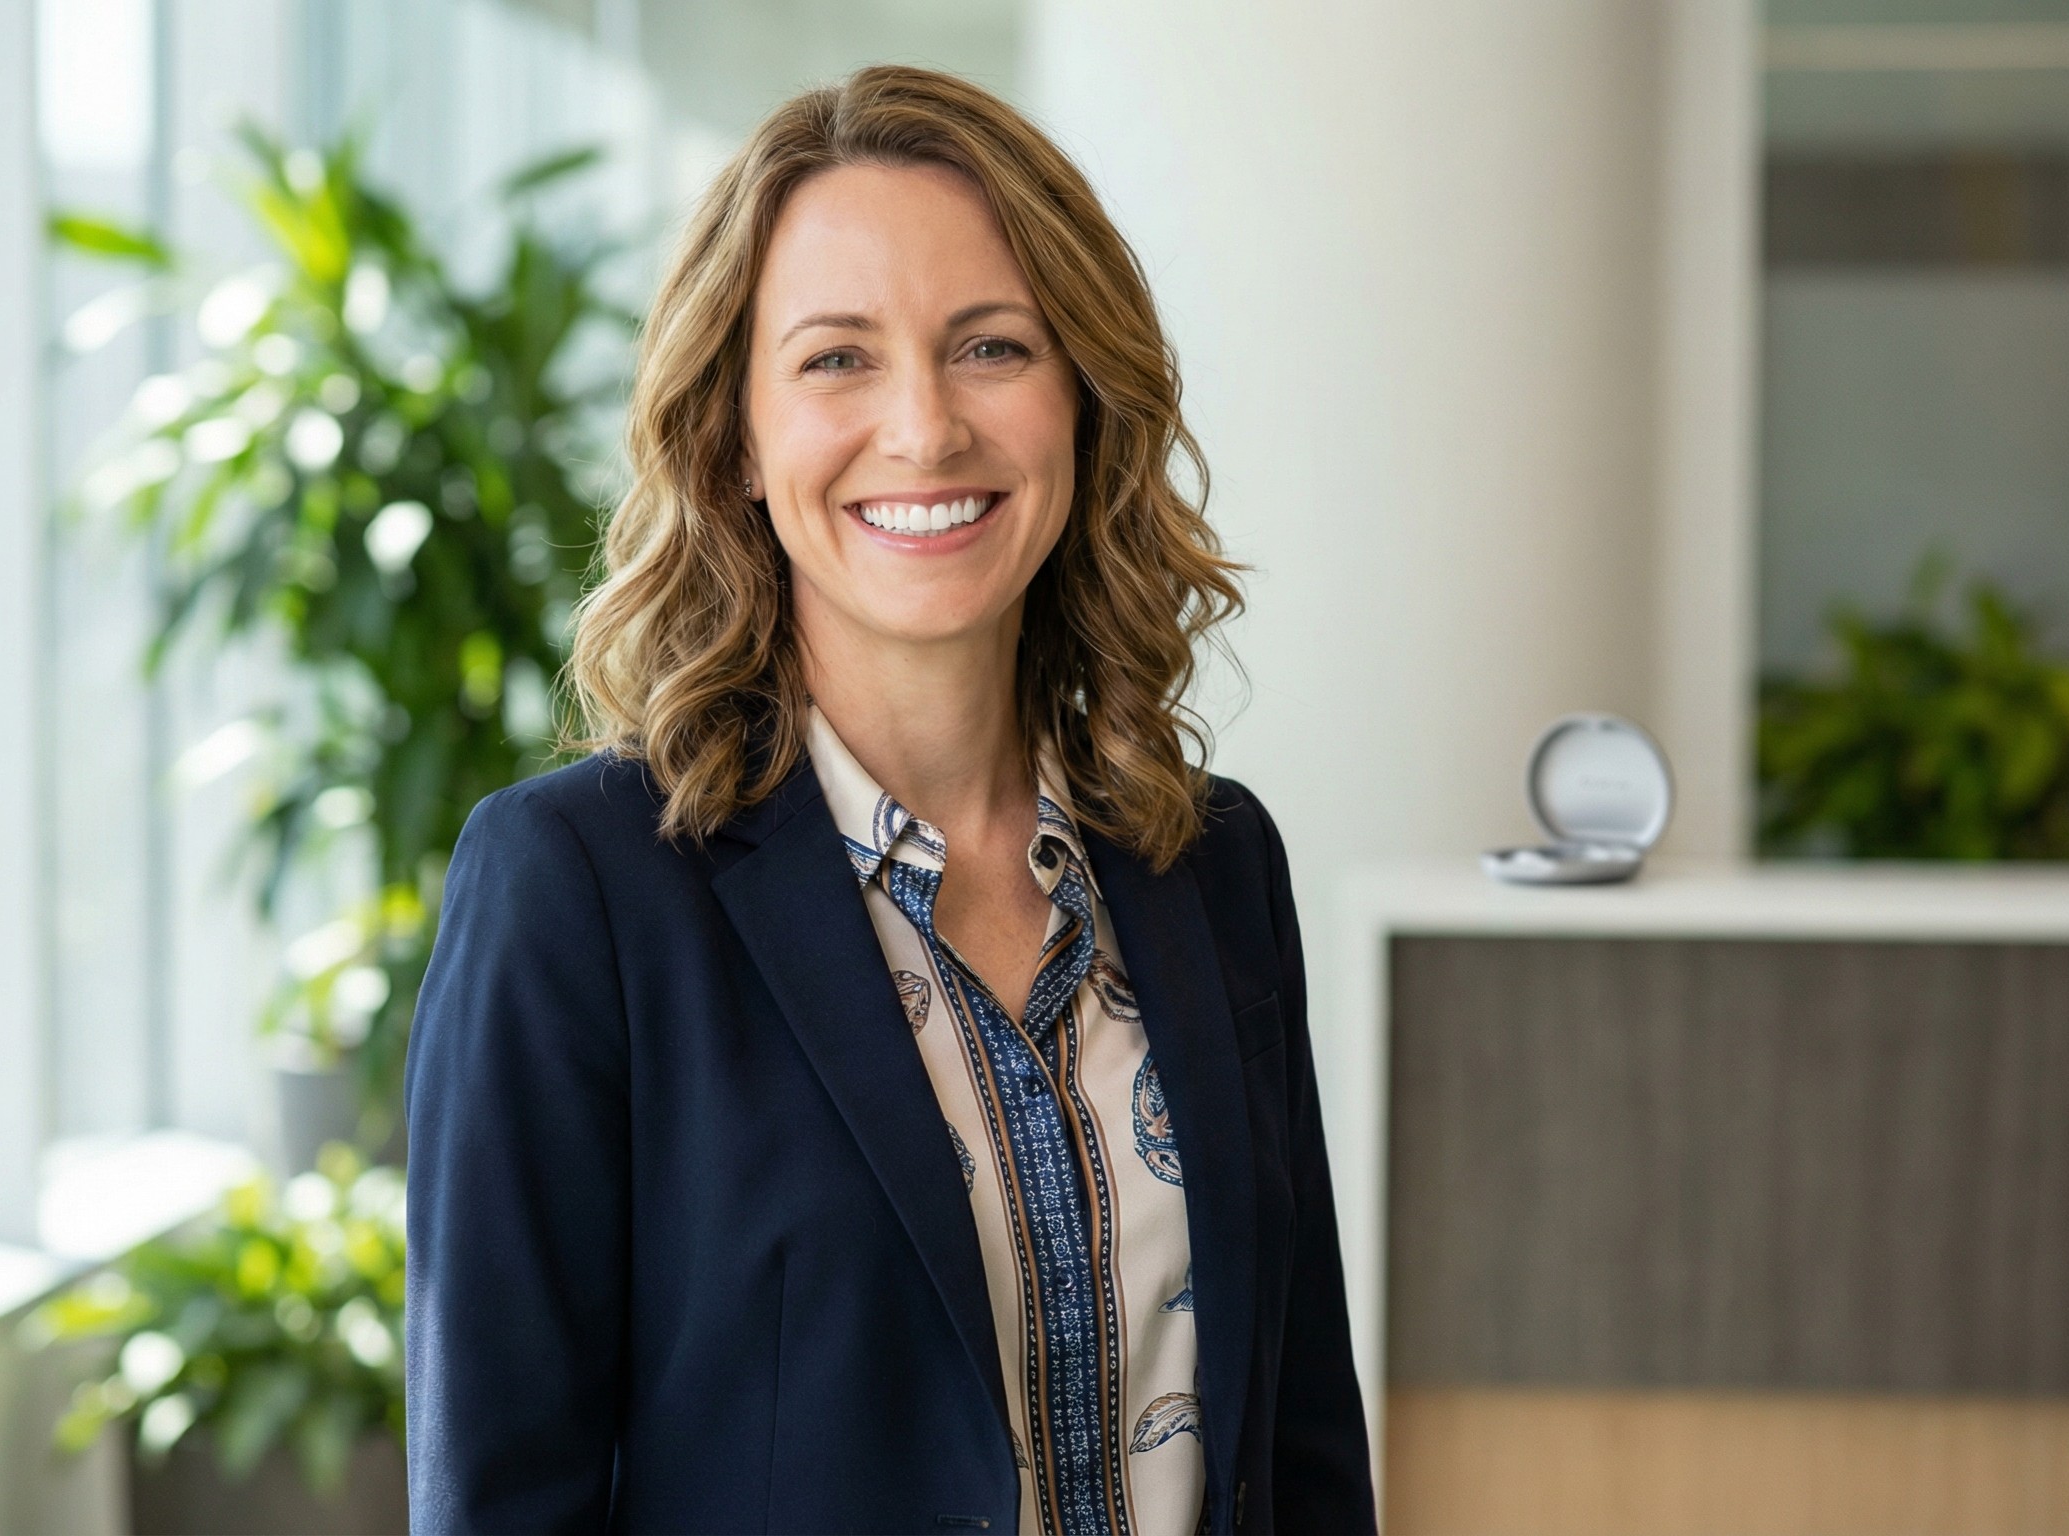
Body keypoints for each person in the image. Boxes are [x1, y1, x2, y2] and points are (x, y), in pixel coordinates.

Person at [403, 64, 1373, 1535]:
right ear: (734, 437)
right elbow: (499, 1498)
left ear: (1081, 398)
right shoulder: (577, 892)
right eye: (837, 359)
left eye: (991, 346)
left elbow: (1302, 1450)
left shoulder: (1212, 862)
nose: (924, 429)